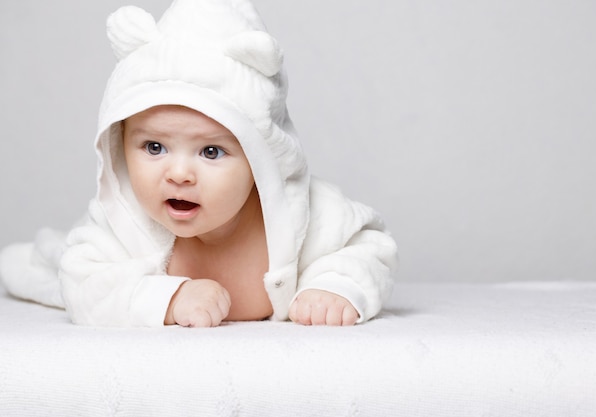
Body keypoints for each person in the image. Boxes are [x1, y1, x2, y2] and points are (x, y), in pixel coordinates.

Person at [0, 0, 397, 327]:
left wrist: (335, 285)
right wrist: (170, 299)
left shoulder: (307, 214)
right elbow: (83, 281)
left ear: (262, 159)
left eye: (210, 152)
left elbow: (367, 246)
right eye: (154, 147)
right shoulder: (122, 223)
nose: (177, 174)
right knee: (53, 259)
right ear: (121, 145)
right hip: (78, 257)